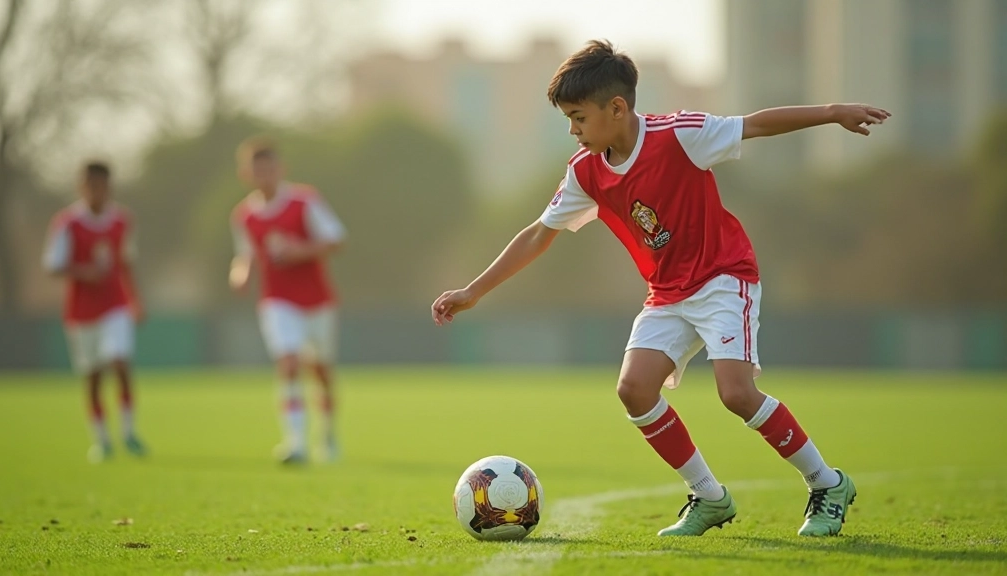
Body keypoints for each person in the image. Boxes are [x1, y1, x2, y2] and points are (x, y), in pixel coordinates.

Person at [431, 40, 891, 537]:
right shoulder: (585, 171)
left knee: (736, 393)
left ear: (617, 108)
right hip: (667, 292)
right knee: (633, 388)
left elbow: (754, 123)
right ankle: (709, 497)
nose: (573, 130)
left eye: (578, 117)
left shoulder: (679, 135)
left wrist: (831, 112)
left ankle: (827, 483)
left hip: (723, 277)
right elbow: (538, 234)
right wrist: (474, 292)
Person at [230, 136, 346, 464]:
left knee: (321, 371)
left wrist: (299, 251)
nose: (264, 176)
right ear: (246, 174)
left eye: (269, 169)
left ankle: (327, 433)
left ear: (280, 169)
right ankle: (295, 442)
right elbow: (245, 256)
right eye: (258, 170)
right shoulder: (244, 216)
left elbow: (336, 240)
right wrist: (239, 276)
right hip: (277, 300)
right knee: (289, 363)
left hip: (317, 299)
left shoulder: (304, 201)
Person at [43, 161, 147, 463]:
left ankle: (129, 432)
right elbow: (52, 265)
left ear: (109, 187)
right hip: (81, 311)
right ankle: (101, 440)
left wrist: (135, 301)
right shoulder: (67, 223)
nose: (95, 192)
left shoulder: (122, 221)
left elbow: (127, 263)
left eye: (100, 185)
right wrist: (84, 272)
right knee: (92, 376)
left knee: (120, 361)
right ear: (81, 187)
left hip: (115, 305)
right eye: (90, 186)